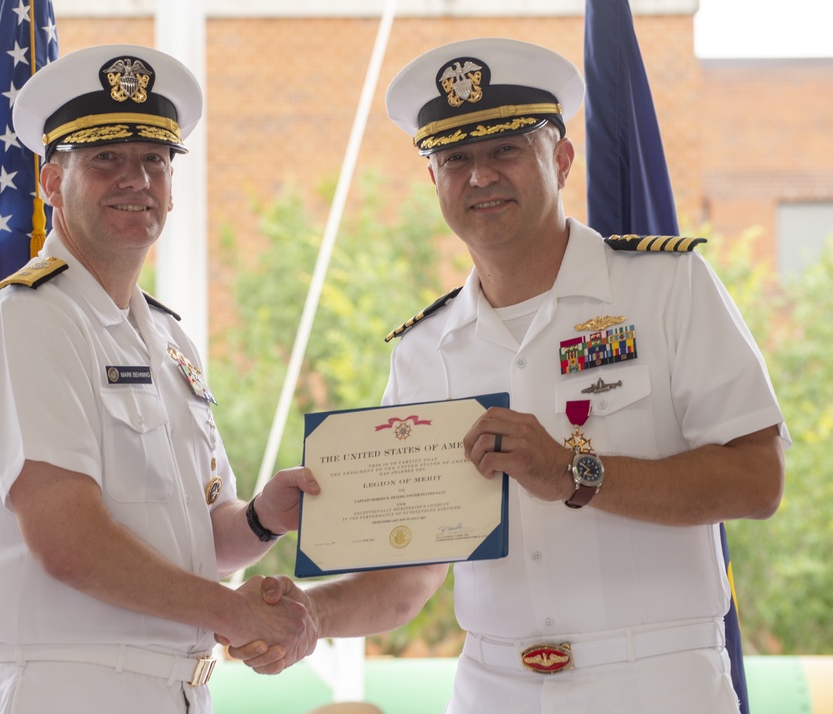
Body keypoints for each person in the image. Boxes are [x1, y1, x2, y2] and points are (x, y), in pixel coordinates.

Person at [226, 37, 789, 713]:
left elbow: (758, 481)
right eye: (454, 159)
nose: (480, 176)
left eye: (505, 150)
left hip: (654, 681)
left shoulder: (666, 288)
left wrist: (575, 473)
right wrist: (312, 614)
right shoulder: (424, 349)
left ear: (562, 159)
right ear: (432, 181)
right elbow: (413, 573)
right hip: (493, 688)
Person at [0, 43, 321, 714]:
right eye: (106, 160)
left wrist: (266, 517)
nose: (136, 179)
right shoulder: (28, 320)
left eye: (154, 160)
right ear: (49, 183)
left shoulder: (168, 338)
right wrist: (239, 617)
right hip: (67, 690)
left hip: (175, 691)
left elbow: (204, 539)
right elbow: (71, 544)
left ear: (172, 186)